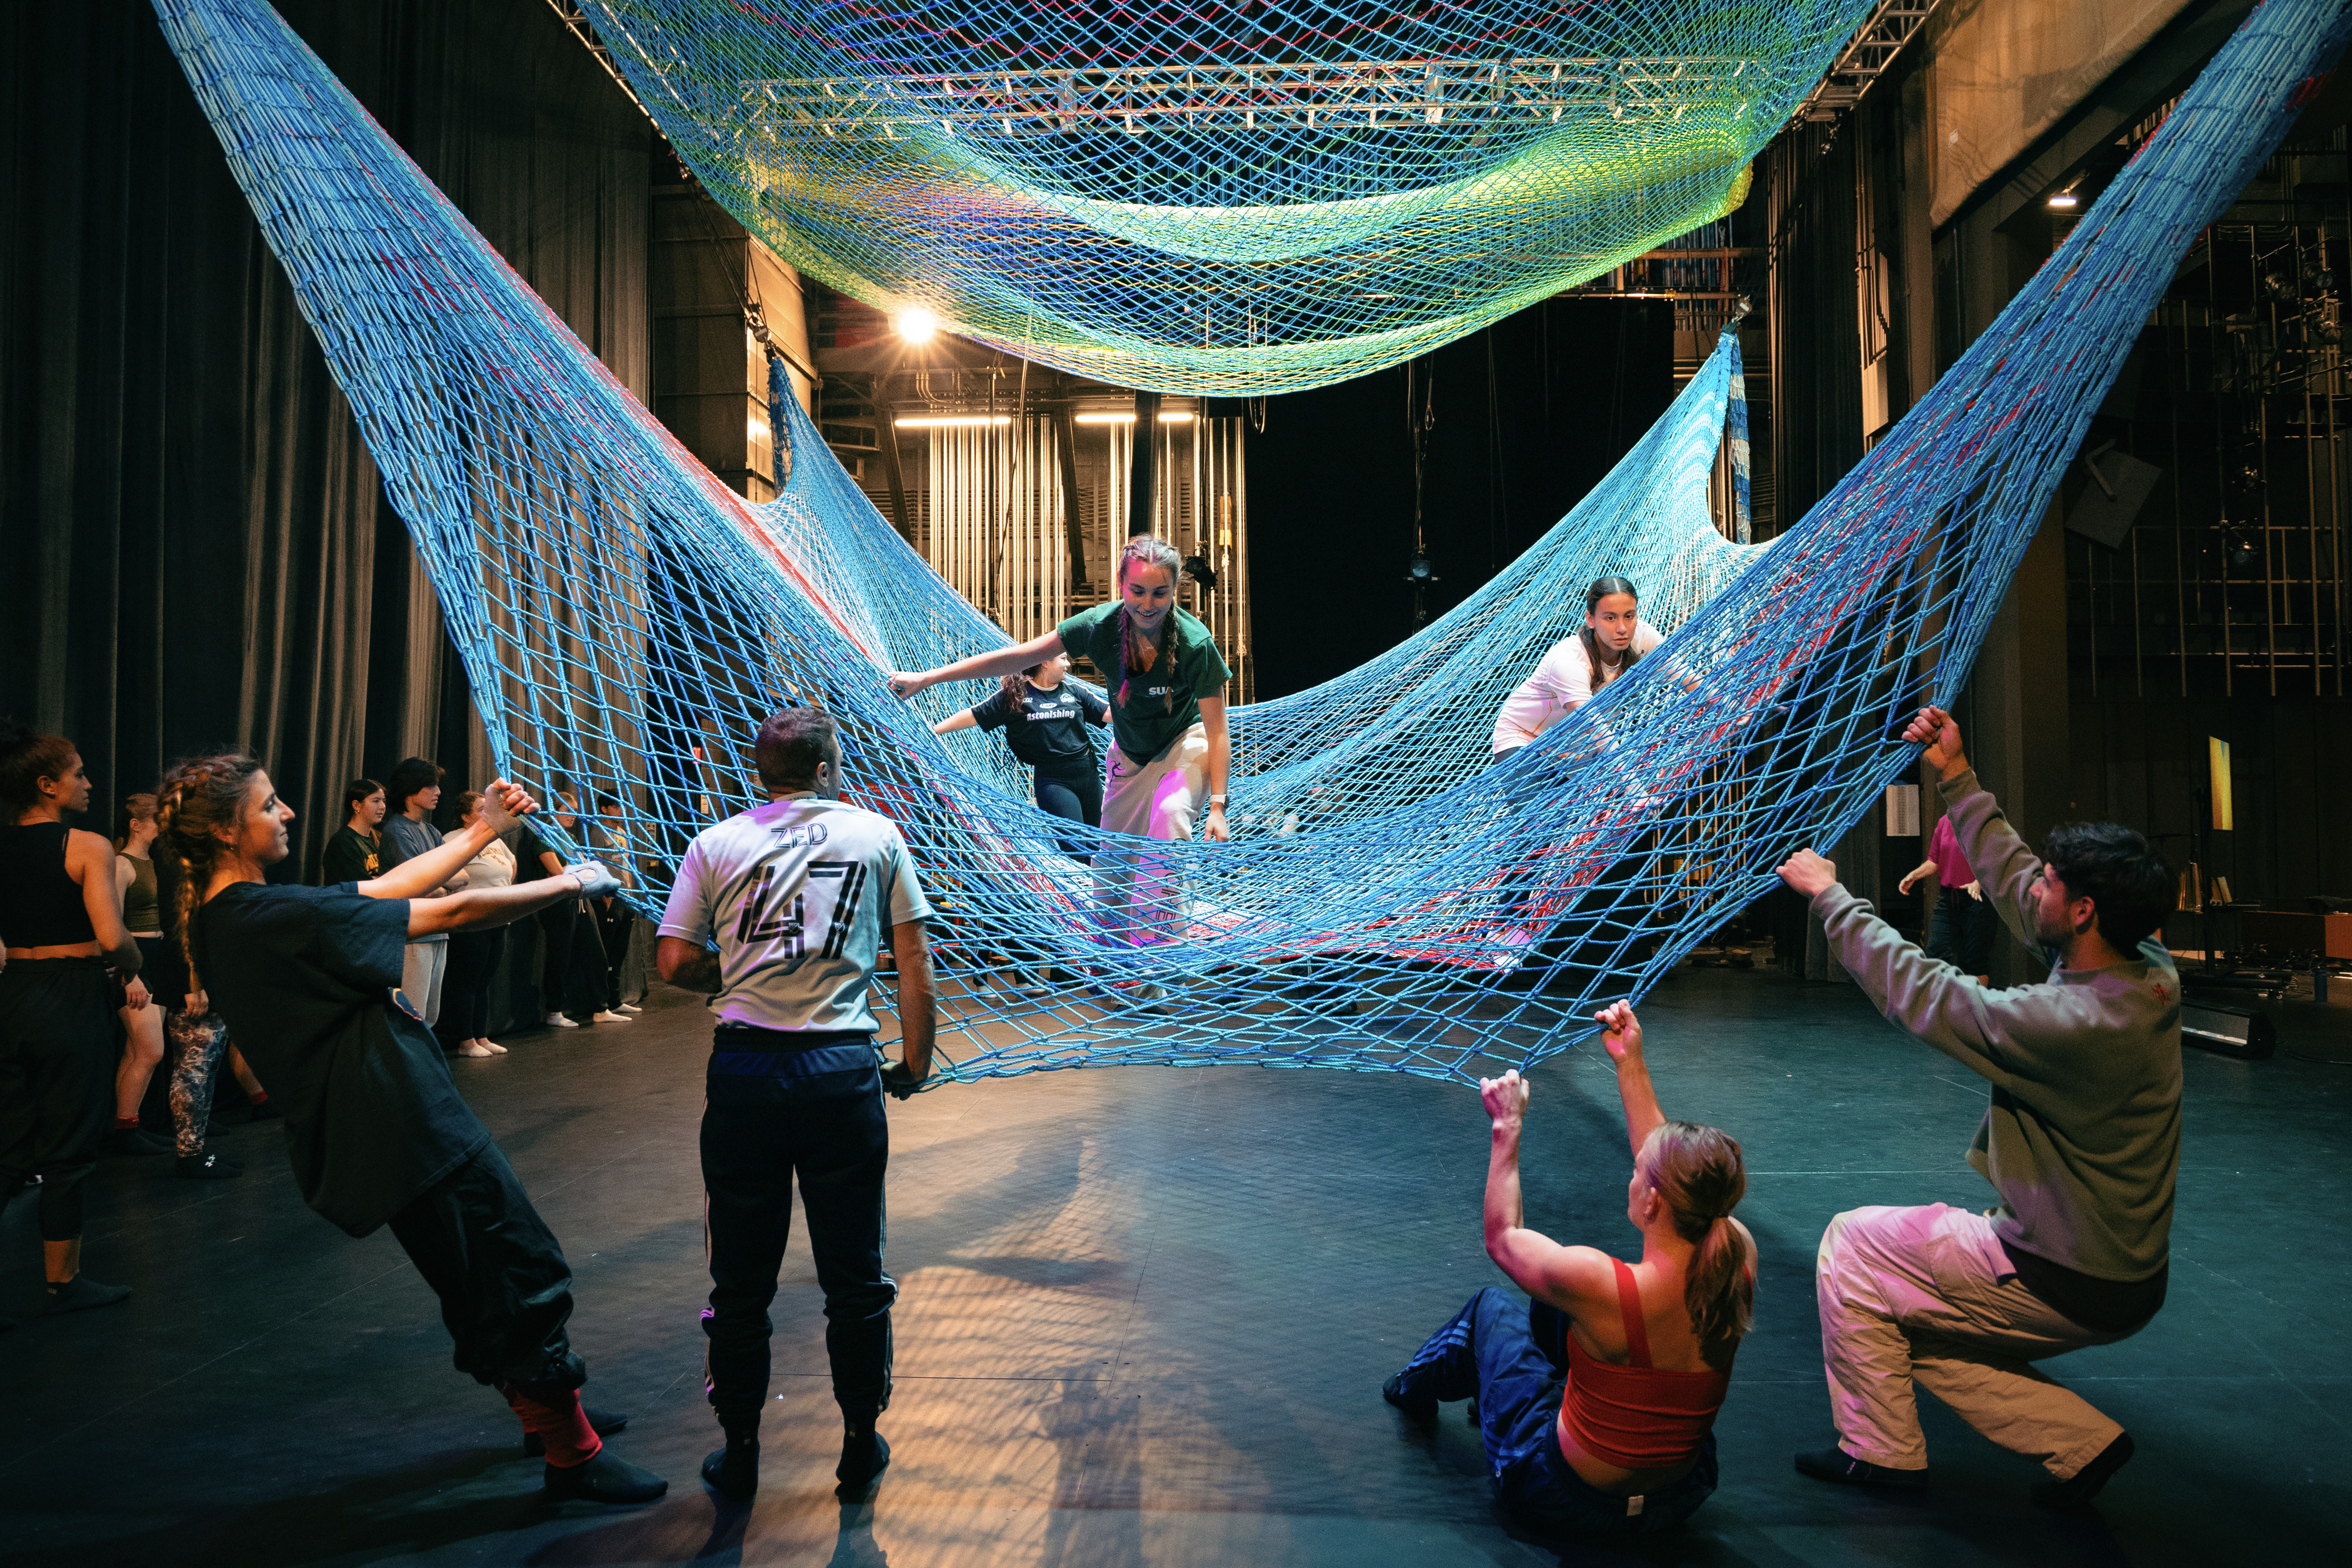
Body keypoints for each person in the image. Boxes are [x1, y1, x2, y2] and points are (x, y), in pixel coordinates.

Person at [163, 755, 664, 1502]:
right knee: (511, 1268)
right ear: (230, 831)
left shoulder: (230, 916)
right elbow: (451, 913)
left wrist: (481, 831)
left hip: (382, 1119)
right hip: (397, 1117)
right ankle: (571, 1452)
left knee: (481, 1271)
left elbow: (386, 887)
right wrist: (569, 883)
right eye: (270, 806)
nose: (288, 815)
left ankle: (546, 1414)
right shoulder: (269, 916)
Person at [1776, 704, 2177, 1511]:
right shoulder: (2147, 970)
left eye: (2054, 887)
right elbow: (2017, 881)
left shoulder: (2065, 1025)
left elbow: (1926, 994)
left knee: (1852, 1248)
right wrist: (1954, 775)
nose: (2038, 889)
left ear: (2084, 913)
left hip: (2059, 1272)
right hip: (2120, 1271)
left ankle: (1881, 1454)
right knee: (1899, 1319)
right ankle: (2077, 1441)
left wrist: (1829, 897)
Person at [656, 706, 936, 1505]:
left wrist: (739, 982)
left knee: (739, 1278)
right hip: (839, 1069)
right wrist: (912, 1062)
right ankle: (857, 1442)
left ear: (760, 772)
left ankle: (740, 1447)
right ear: (825, 769)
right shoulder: (877, 836)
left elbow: (674, 961)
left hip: (745, 1072)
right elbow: (912, 958)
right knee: (856, 1273)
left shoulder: (716, 843)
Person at [1382, 1001, 1754, 1538]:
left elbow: (1502, 1238)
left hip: (1563, 1499)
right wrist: (1630, 1063)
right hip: (1678, 1497)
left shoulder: (1598, 1283)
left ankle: (1409, 1389)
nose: (1631, 1175)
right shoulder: (1736, 1251)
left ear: (1652, 1202)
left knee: (1492, 1310)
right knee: (1554, 1307)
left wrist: (1506, 1125)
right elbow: (1661, 1161)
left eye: (1637, 1175)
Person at [890, 535, 1231, 958]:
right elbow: (1015, 658)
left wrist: (1216, 805)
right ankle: (1105, 962)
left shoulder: (1195, 644)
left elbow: (1217, 731)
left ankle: (1161, 957)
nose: (1148, 603)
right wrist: (927, 679)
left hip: (1184, 743)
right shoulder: (1096, 628)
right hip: (1127, 756)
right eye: (1137, 591)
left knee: (1169, 815)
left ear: (1174, 591)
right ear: (1120, 587)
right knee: (1110, 867)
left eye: (1160, 593)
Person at [0, 723, 144, 1320]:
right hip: (71, 993)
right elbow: (112, 936)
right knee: (69, 1145)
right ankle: (64, 1281)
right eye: (78, 773)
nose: (88, 782)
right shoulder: (86, 845)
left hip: (13, 994)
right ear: (47, 784)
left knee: (7, 1144)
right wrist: (135, 967)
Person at [932, 651, 1111, 859]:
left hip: (1088, 775)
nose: (1068, 664)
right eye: (1063, 659)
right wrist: (933, 731)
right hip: (1054, 782)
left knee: (1101, 847)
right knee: (1078, 850)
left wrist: (1147, 713)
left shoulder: (1075, 692)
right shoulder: (1016, 696)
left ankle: (1102, 892)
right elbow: (975, 715)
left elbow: (1108, 714)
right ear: (1045, 662)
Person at [1489, 576, 1665, 763]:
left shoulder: (1644, 638)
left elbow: (1688, 680)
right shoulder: (1568, 662)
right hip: (1527, 742)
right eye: (1610, 618)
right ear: (1591, 619)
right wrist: (1636, 786)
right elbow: (1595, 728)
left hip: (1578, 753)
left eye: (1629, 616)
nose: (1622, 628)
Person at [518, 787, 627, 1028]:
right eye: (567, 811)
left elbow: (583, 870)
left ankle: (601, 1008)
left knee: (597, 954)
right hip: (558, 904)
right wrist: (578, 872)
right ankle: (554, 1011)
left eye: (575, 812)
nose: (573, 816)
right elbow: (558, 872)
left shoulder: (573, 838)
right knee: (561, 957)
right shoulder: (544, 835)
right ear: (553, 813)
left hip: (580, 899)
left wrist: (577, 872)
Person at [104, 795, 173, 1158]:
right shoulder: (121, 864)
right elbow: (111, 925)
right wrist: (129, 976)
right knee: (151, 1050)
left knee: (137, 1050)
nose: (162, 824)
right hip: (136, 963)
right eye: (156, 819)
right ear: (135, 823)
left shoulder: (156, 862)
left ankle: (126, 1126)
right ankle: (125, 1129)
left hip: (157, 959)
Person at [380, 758, 463, 1030]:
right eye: (430, 786)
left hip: (439, 930)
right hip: (414, 933)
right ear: (411, 790)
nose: (438, 792)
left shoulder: (432, 831)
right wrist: (441, 885)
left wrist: (437, 885)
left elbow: (462, 876)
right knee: (411, 1017)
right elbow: (419, 888)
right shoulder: (397, 831)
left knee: (430, 1017)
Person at [440, 789, 514, 1058]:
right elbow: (447, 872)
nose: (488, 811)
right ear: (465, 817)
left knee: (484, 981)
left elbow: (511, 864)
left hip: (498, 918)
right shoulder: (453, 839)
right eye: (481, 808)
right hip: (471, 919)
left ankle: (482, 1037)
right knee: (467, 982)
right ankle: (466, 1041)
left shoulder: (492, 836)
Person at [1898, 812, 1995, 987]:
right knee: (1936, 952)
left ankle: (1978, 1011)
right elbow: (1934, 861)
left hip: (1976, 898)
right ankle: (1941, 1007)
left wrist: (1979, 881)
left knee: (1975, 960)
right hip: (1948, 898)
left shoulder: (1983, 821)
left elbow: (1995, 860)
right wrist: (1913, 875)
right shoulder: (1944, 822)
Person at [321, 778, 386, 884]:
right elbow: (362, 886)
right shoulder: (343, 842)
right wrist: (383, 880)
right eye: (376, 801)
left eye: (384, 801)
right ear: (357, 805)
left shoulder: (379, 838)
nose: (383, 807)